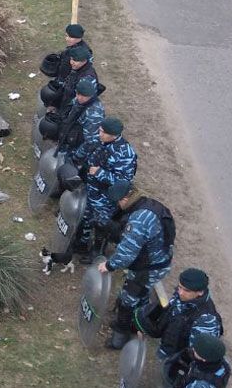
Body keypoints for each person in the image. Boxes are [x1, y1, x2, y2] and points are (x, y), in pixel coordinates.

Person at [100, 180, 176, 350]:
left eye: (118, 201)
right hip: (156, 261)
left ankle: (120, 337)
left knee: (129, 298)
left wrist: (109, 265)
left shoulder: (140, 220)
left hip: (149, 267)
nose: (117, 205)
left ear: (126, 199)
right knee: (140, 294)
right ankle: (137, 324)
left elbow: (127, 253)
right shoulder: (147, 205)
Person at [136, 267, 224, 381]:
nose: (180, 292)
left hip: (178, 363)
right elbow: (169, 313)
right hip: (167, 348)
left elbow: (198, 358)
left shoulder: (206, 321)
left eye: (186, 290)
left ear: (200, 292)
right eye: (180, 287)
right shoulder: (182, 296)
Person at [77, 117, 136, 258]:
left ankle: (98, 251)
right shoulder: (101, 141)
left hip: (105, 198)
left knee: (101, 224)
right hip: (91, 189)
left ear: (114, 135)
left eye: (104, 132)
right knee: (86, 217)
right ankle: (82, 243)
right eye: (100, 130)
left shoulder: (125, 155)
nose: (100, 134)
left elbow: (124, 183)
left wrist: (100, 173)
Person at [57, 77, 104, 166]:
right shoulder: (78, 100)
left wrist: (76, 156)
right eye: (78, 94)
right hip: (68, 139)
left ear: (91, 95)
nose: (79, 97)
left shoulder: (93, 114)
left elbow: (91, 142)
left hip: (76, 149)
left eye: (84, 96)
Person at [55, 44, 97, 114]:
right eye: (71, 59)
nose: (71, 62)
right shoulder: (78, 68)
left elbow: (82, 100)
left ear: (84, 61)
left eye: (75, 60)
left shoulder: (87, 78)